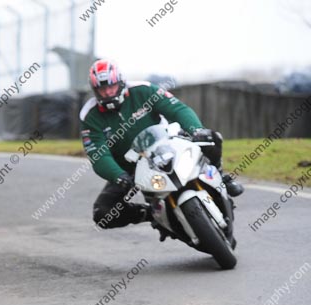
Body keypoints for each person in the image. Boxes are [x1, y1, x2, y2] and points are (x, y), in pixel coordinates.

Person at [80, 59, 244, 230]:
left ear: (120, 82)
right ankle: (152, 214)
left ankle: (222, 179)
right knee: (103, 214)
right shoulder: (89, 116)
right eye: (101, 89)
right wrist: (118, 175)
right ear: (95, 91)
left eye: (110, 87)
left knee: (211, 137)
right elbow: (98, 155)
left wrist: (196, 130)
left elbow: (178, 109)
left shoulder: (143, 90)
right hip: (129, 169)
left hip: (165, 145)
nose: (107, 93)